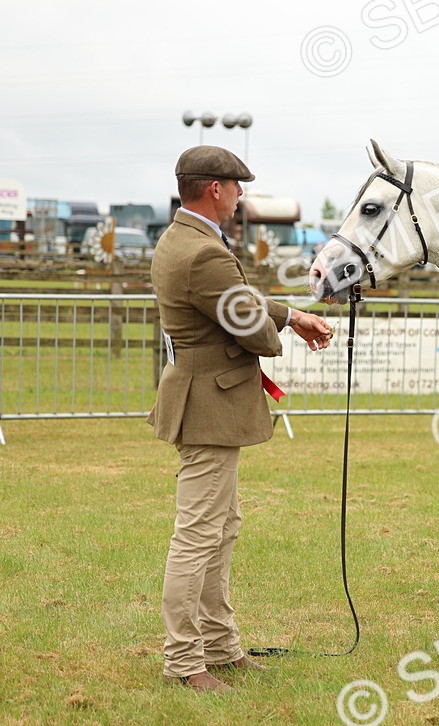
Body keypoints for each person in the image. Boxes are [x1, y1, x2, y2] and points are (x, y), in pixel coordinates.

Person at [149, 145, 333, 693]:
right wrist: (278, 328)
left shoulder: (184, 240)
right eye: (236, 187)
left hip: (206, 399)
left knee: (220, 528)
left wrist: (291, 313)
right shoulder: (204, 252)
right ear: (214, 189)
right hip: (210, 404)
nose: (240, 197)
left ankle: (221, 646)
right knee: (200, 533)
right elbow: (246, 322)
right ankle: (184, 661)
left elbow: (235, 298)